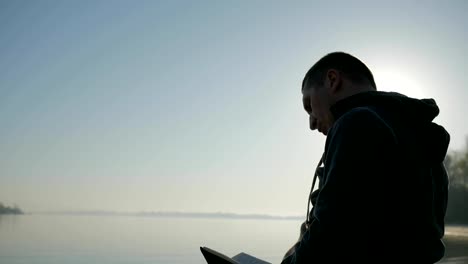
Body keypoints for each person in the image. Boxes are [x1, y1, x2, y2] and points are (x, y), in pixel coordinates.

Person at [281, 52, 450, 263]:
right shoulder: (421, 138)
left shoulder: (355, 123)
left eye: (309, 106)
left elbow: (329, 238)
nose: (312, 123)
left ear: (332, 80)